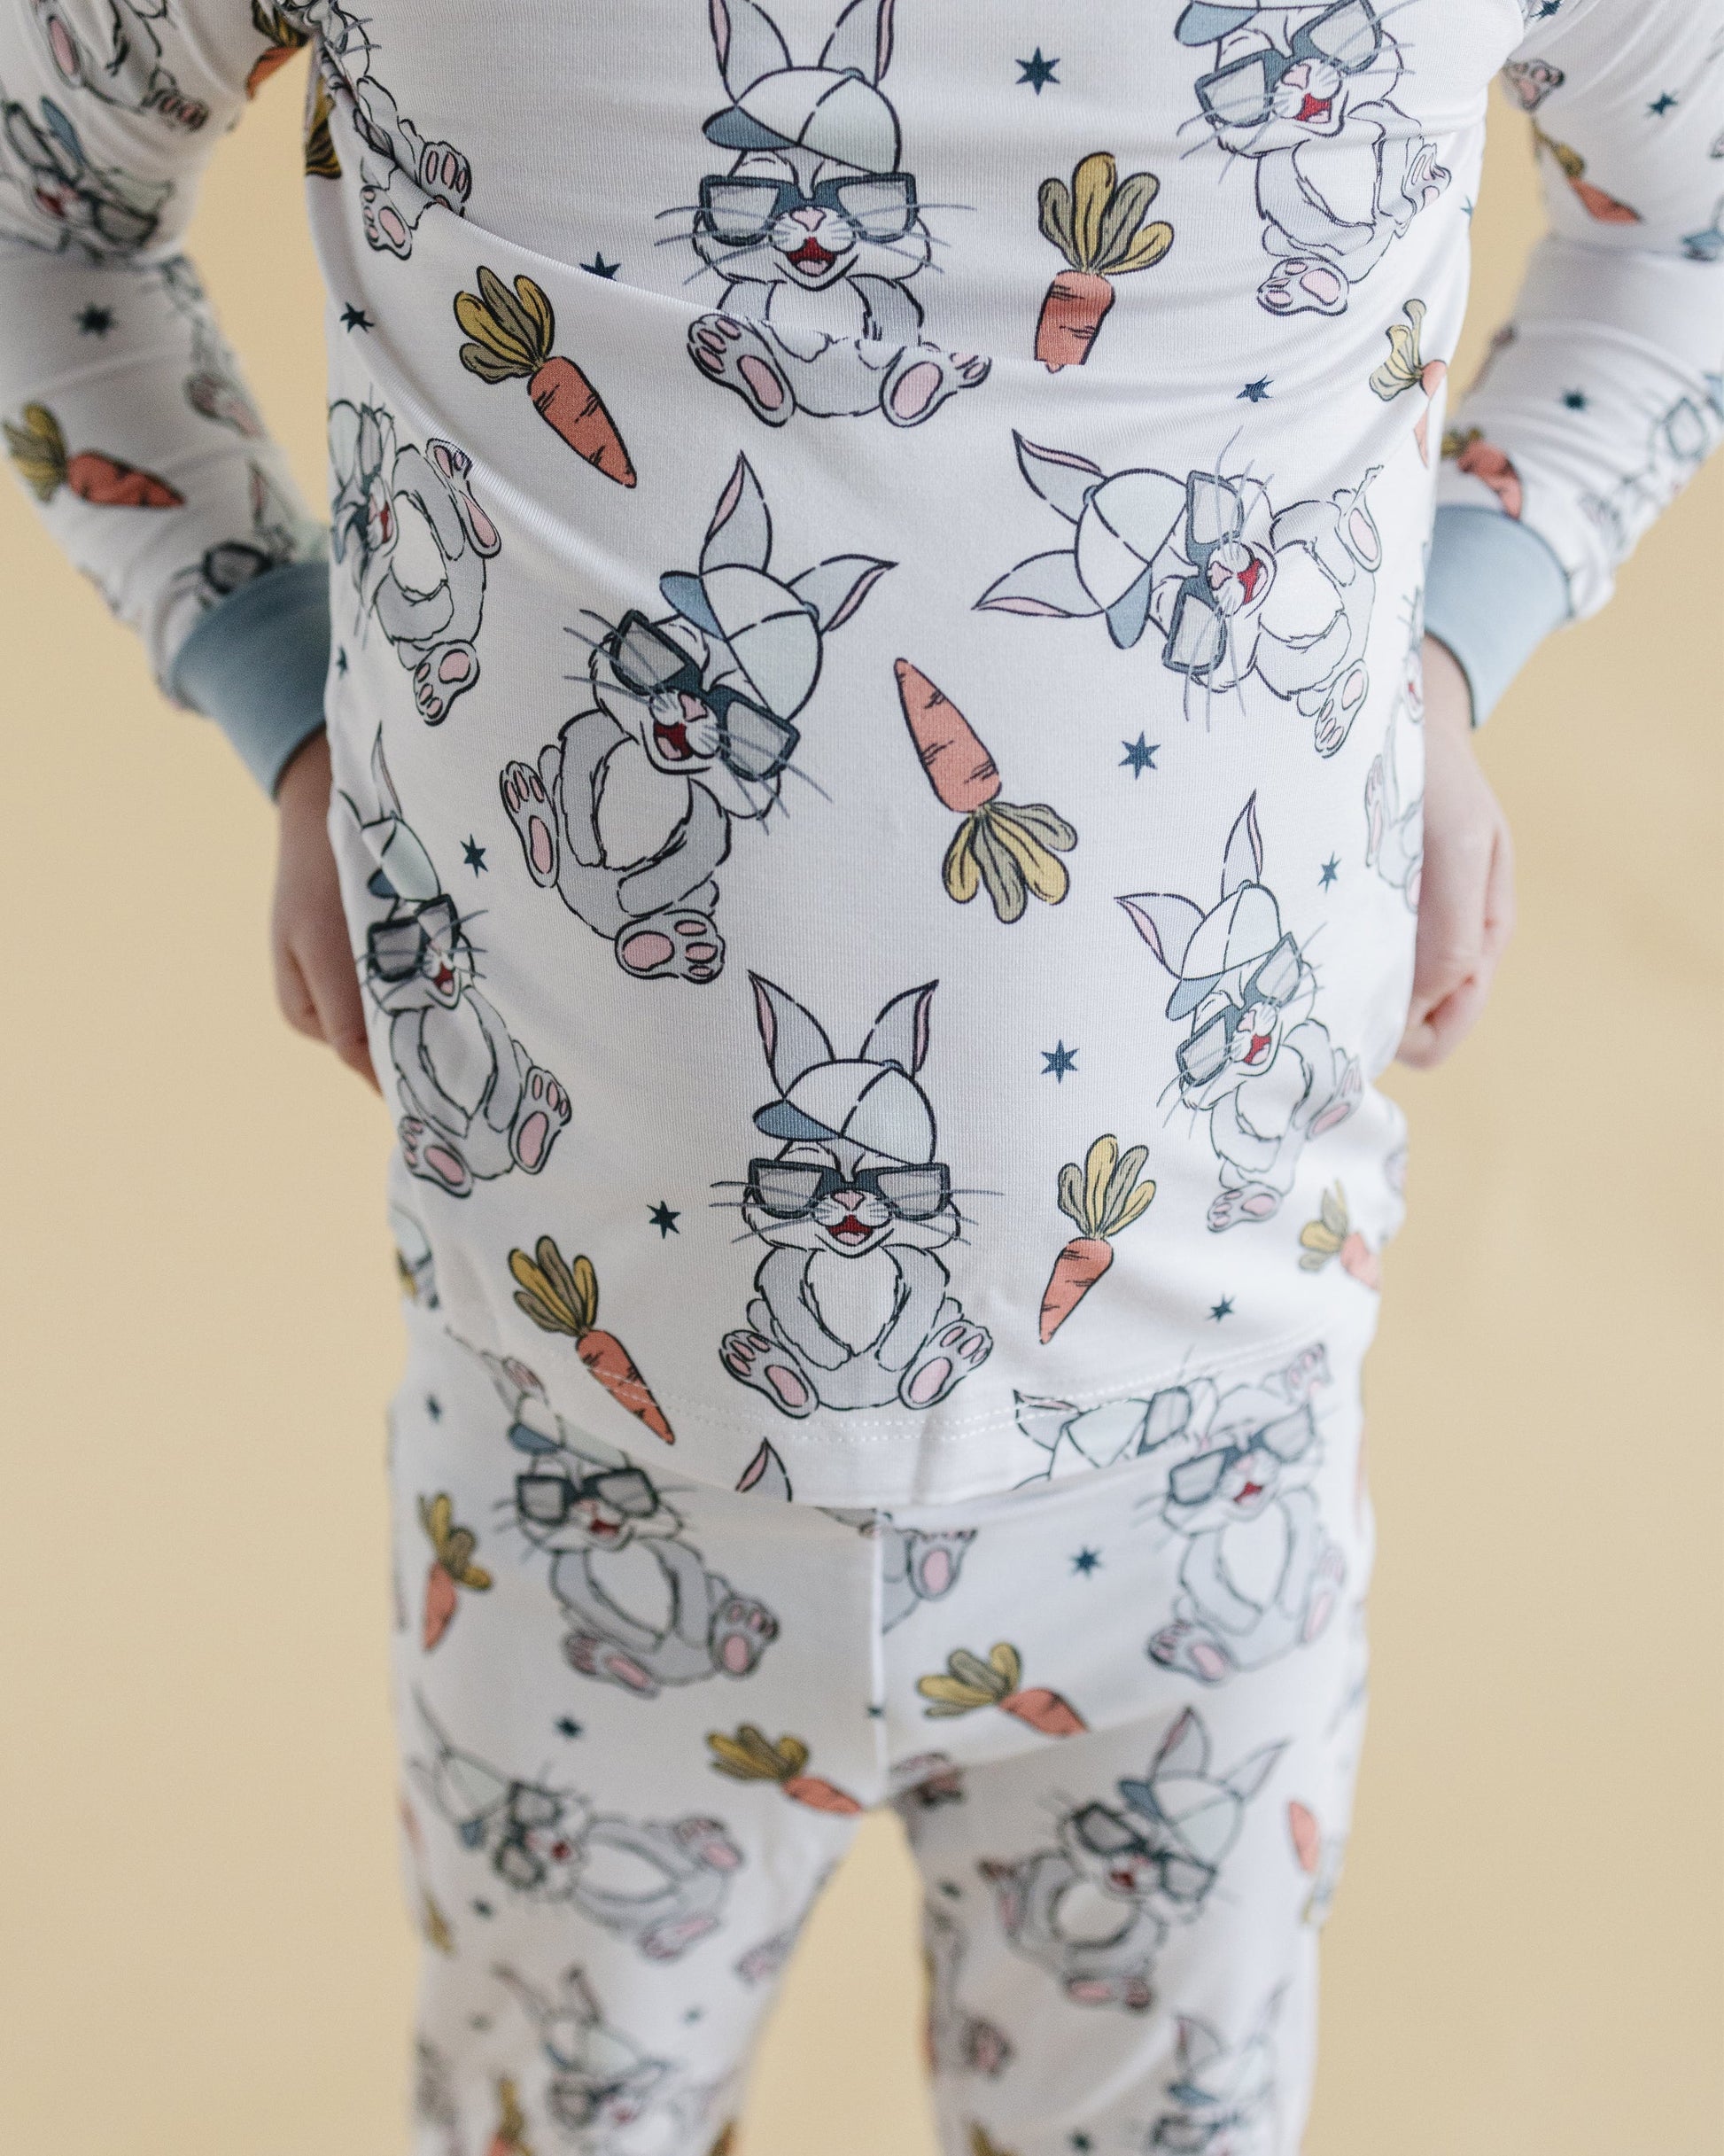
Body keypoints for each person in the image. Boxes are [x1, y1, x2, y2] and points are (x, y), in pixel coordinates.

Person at [3, 2, 1718, 2149]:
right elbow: (37, 208)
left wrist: (1449, 639)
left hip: (1208, 1463)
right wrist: (283, 686)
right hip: (567, 1457)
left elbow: (1684, 219)